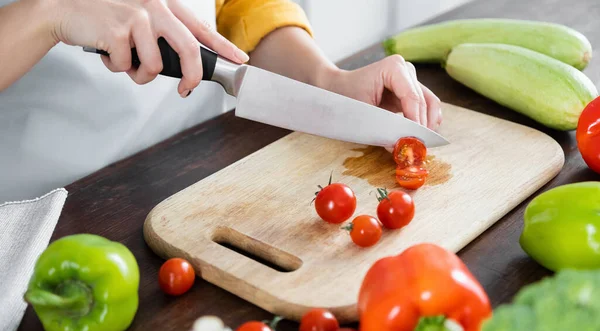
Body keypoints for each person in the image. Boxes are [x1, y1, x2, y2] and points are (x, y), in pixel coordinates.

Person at [0, 0, 442, 203]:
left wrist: (324, 80)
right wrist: (47, 13)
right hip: (38, 211)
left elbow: (236, 5)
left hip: (190, 178)